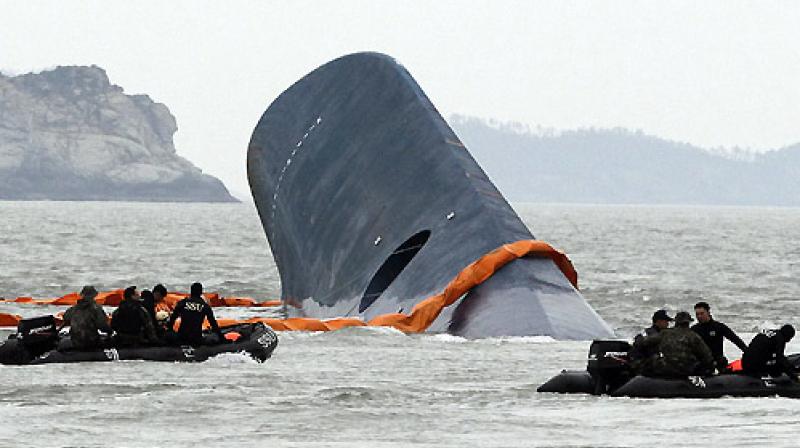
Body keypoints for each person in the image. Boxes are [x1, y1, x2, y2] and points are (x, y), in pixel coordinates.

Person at [634, 311, 715, 378]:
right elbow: (707, 356)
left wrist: (638, 338)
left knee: (650, 361)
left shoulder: (665, 333)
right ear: (688, 323)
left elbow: (643, 342)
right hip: (687, 370)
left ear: (676, 322)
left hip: (666, 368)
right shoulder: (694, 336)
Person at [691, 301, 748, 372]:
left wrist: (748, 353)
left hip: (718, 360)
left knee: (722, 361)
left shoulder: (718, 327)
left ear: (708, 312)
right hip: (701, 362)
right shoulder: (694, 329)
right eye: (697, 314)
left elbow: (735, 339)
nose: (699, 316)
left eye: (702, 313)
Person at [61, 285, 113, 350]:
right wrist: (110, 331)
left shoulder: (73, 308)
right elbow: (102, 326)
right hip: (91, 342)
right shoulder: (96, 309)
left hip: (75, 342)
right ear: (94, 296)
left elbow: (65, 317)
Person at [628, 309, 673, 374]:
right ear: (659, 321)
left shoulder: (656, 332)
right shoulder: (651, 334)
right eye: (666, 321)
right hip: (641, 364)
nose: (667, 324)